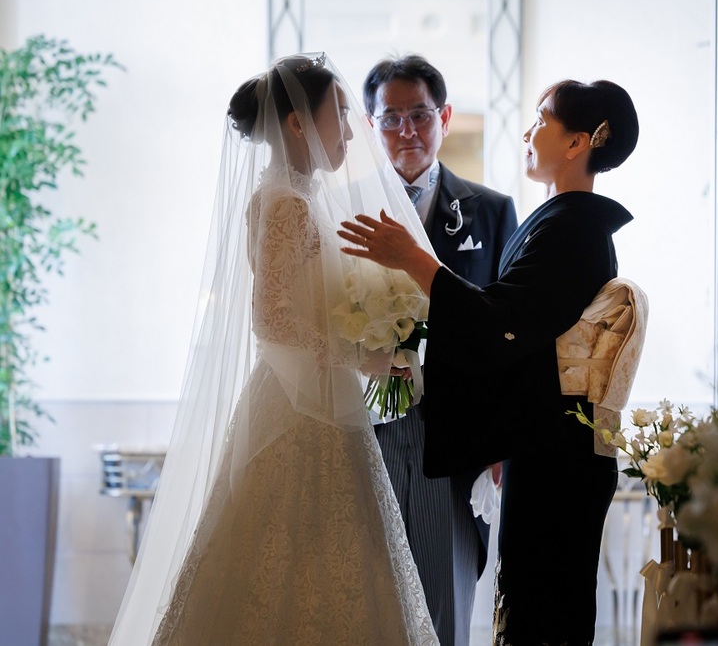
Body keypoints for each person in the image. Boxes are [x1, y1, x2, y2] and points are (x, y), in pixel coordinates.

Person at [108, 53, 439, 645]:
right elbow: (273, 318)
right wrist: (362, 356)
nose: (350, 131)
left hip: (318, 396)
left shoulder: (301, 197)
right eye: (339, 114)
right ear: (297, 123)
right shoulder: (285, 203)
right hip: (297, 407)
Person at [340, 78, 640, 645]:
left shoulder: (574, 228)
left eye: (541, 120)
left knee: (542, 612)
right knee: (525, 602)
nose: (528, 132)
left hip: (558, 454)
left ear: (577, 143)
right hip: (544, 441)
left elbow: (503, 323)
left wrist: (413, 260)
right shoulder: (560, 219)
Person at [361, 53, 518, 646]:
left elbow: (508, 332)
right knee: (366, 596)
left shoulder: (492, 211)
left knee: (441, 604)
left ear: (445, 118)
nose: (406, 131)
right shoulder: (344, 208)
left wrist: (501, 437)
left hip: (455, 434)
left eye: (420, 115)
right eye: (391, 118)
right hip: (366, 430)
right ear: (372, 126)